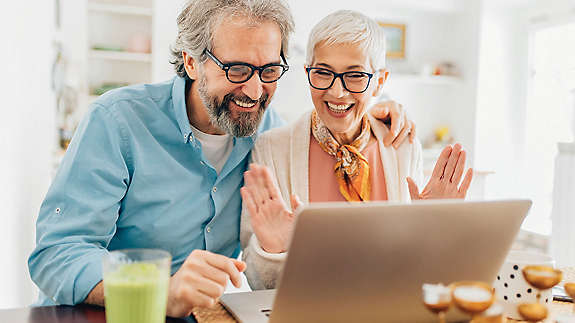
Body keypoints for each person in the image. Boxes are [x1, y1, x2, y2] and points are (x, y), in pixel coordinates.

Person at [27, 0, 414, 317]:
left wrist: (375, 112)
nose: (254, 88)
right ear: (192, 61)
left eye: (269, 69)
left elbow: (332, 117)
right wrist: (160, 290)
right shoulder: (117, 121)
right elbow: (56, 254)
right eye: (237, 69)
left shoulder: (269, 135)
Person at [240, 10, 474, 290]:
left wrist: (436, 228)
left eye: (355, 76)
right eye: (324, 73)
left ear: (380, 81)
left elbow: (420, 274)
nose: (337, 92)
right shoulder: (272, 149)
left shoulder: (402, 147)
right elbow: (256, 281)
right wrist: (273, 248)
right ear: (307, 73)